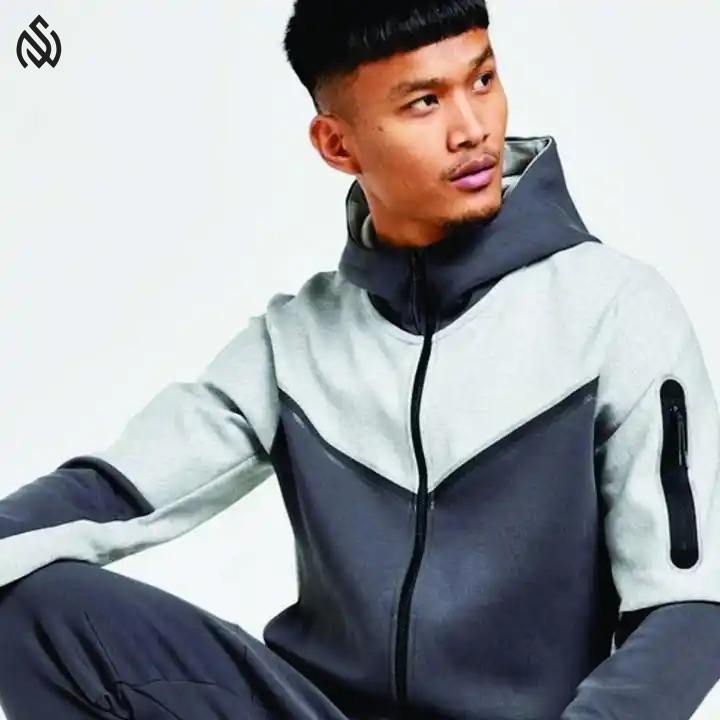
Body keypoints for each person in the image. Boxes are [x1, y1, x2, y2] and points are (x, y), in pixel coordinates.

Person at [1, 1, 719, 718]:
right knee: (32, 605)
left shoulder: (613, 310)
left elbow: (690, 606)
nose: (472, 129)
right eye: (424, 102)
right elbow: (115, 491)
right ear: (337, 144)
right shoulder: (295, 342)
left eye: (482, 79)